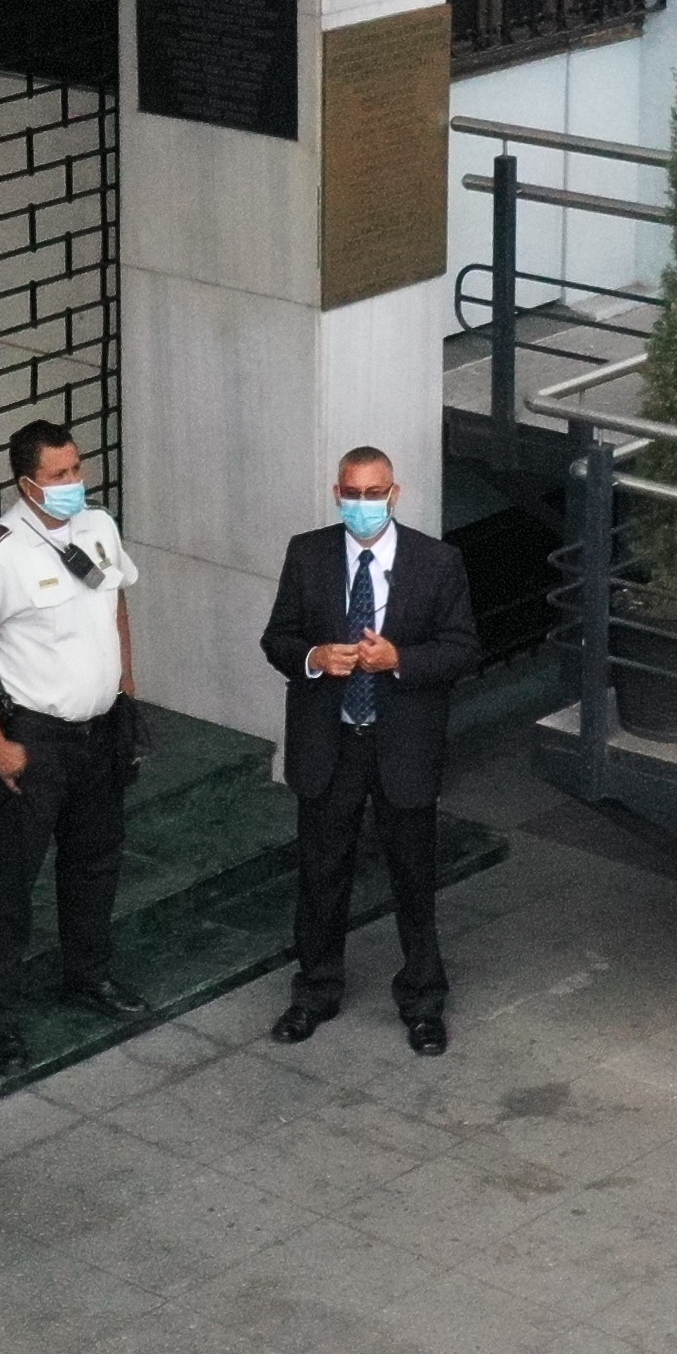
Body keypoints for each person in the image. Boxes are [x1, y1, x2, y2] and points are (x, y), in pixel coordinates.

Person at [258, 445, 475, 1053]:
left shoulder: (437, 562)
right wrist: (314, 658)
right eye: (350, 494)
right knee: (323, 875)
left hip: (401, 743)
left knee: (413, 877)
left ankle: (424, 1002)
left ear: (394, 494)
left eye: (372, 494)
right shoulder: (308, 554)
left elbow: (461, 649)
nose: (361, 505)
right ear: (337, 493)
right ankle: (315, 992)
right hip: (331, 742)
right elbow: (277, 638)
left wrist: (399, 659)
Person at [0, 418, 145, 1072]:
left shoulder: (96, 527)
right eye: (59, 476)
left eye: (77, 469)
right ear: (28, 485)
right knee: (12, 883)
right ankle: (0, 1022)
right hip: (37, 739)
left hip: (100, 730)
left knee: (95, 860)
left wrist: (126, 681)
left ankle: (88, 975)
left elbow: (113, 601)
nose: (73, 483)